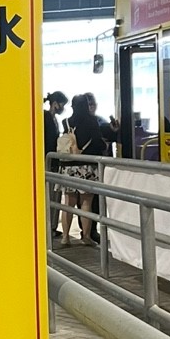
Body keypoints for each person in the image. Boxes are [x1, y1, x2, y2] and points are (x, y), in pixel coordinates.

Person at [61, 94, 109, 247]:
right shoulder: (92, 121)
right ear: (86, 106)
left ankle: (65, 237)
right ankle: (86, 237)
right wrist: (104, 146)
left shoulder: (66, 122)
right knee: (86, 202)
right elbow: (98, 142)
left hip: (68, 165)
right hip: (86, 165)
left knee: (68, 203)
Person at [44, 92, 68, 237]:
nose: (62, 108)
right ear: (55, 104)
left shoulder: (52, 118)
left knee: (54, 194)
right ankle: (49, 226)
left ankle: (52, 226)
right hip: (48, 160)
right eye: (62, 105)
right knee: (50, 194)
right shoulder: (46, 117)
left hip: (52, 161)